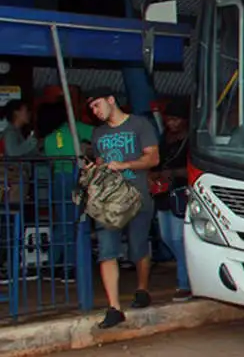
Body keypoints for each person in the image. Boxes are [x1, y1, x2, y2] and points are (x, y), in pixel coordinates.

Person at [84, 87, 160, 329]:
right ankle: (114, 307)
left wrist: (124, 164)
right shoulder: (98, 134)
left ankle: (142, 289)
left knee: (138, 247)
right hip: (109, 200)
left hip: (137, 196)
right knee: (107, 250)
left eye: (96, 105)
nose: (94, 111)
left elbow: (153, 158)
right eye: (91, 108)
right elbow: (99, 162)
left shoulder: (140, 125)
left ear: (110, 100)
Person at [43, 99, 94, 283]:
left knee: (62, 223)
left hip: (58, 179)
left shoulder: (49, 138)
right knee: (74, 222)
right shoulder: (74, 128)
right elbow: (98, 135)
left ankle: (52, 266)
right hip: (74, 177)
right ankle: (69, 268)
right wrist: (87, 149)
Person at [149, 97, 191, 302]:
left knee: (177, 238)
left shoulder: (191, 140)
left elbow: (194, 169)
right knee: (166, 237)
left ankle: (184, 283)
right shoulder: (164, 138)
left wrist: (173, 173)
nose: (171, 123)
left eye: (176, 119)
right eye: (169, 119)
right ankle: (189, 271)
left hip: (181, 194)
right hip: (163, 193)